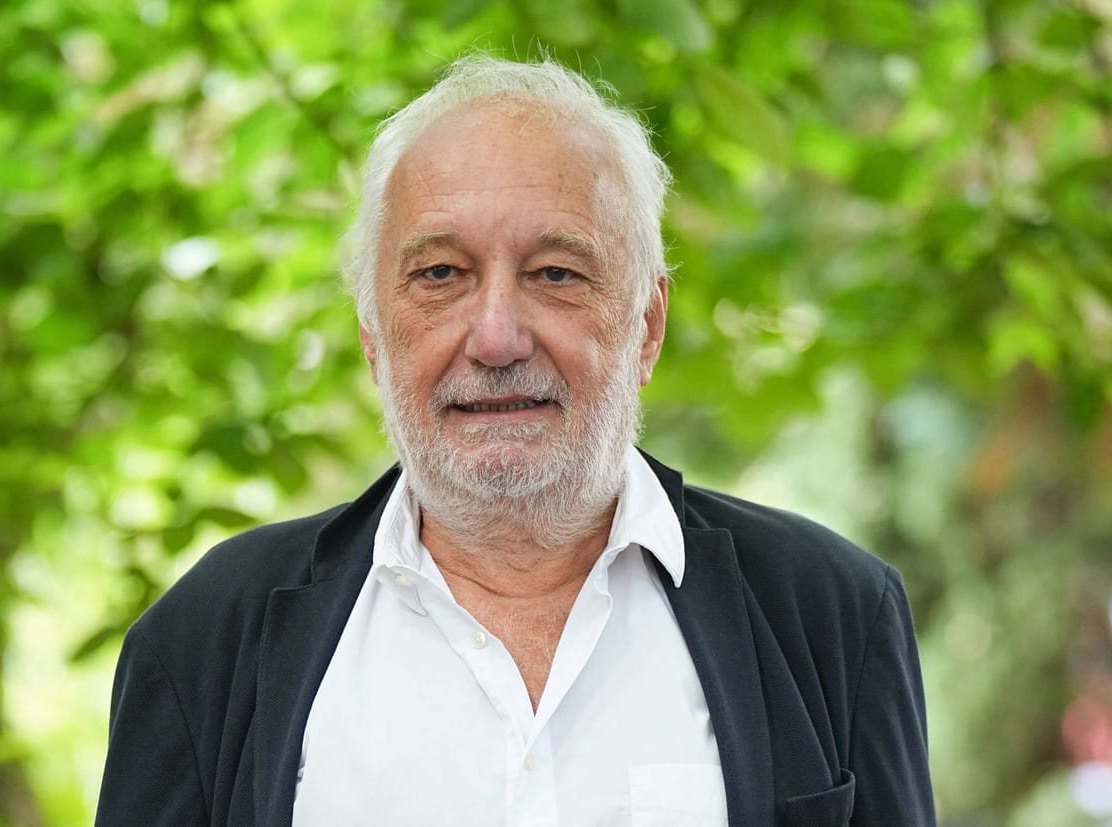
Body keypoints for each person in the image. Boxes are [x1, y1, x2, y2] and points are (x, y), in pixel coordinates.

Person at [95, 55, 934, 826]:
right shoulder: (206, 638)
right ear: (373, 335)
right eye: (440, 274)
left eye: (556, 273)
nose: (496, 337)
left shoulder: (831, 612)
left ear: (646, 326)